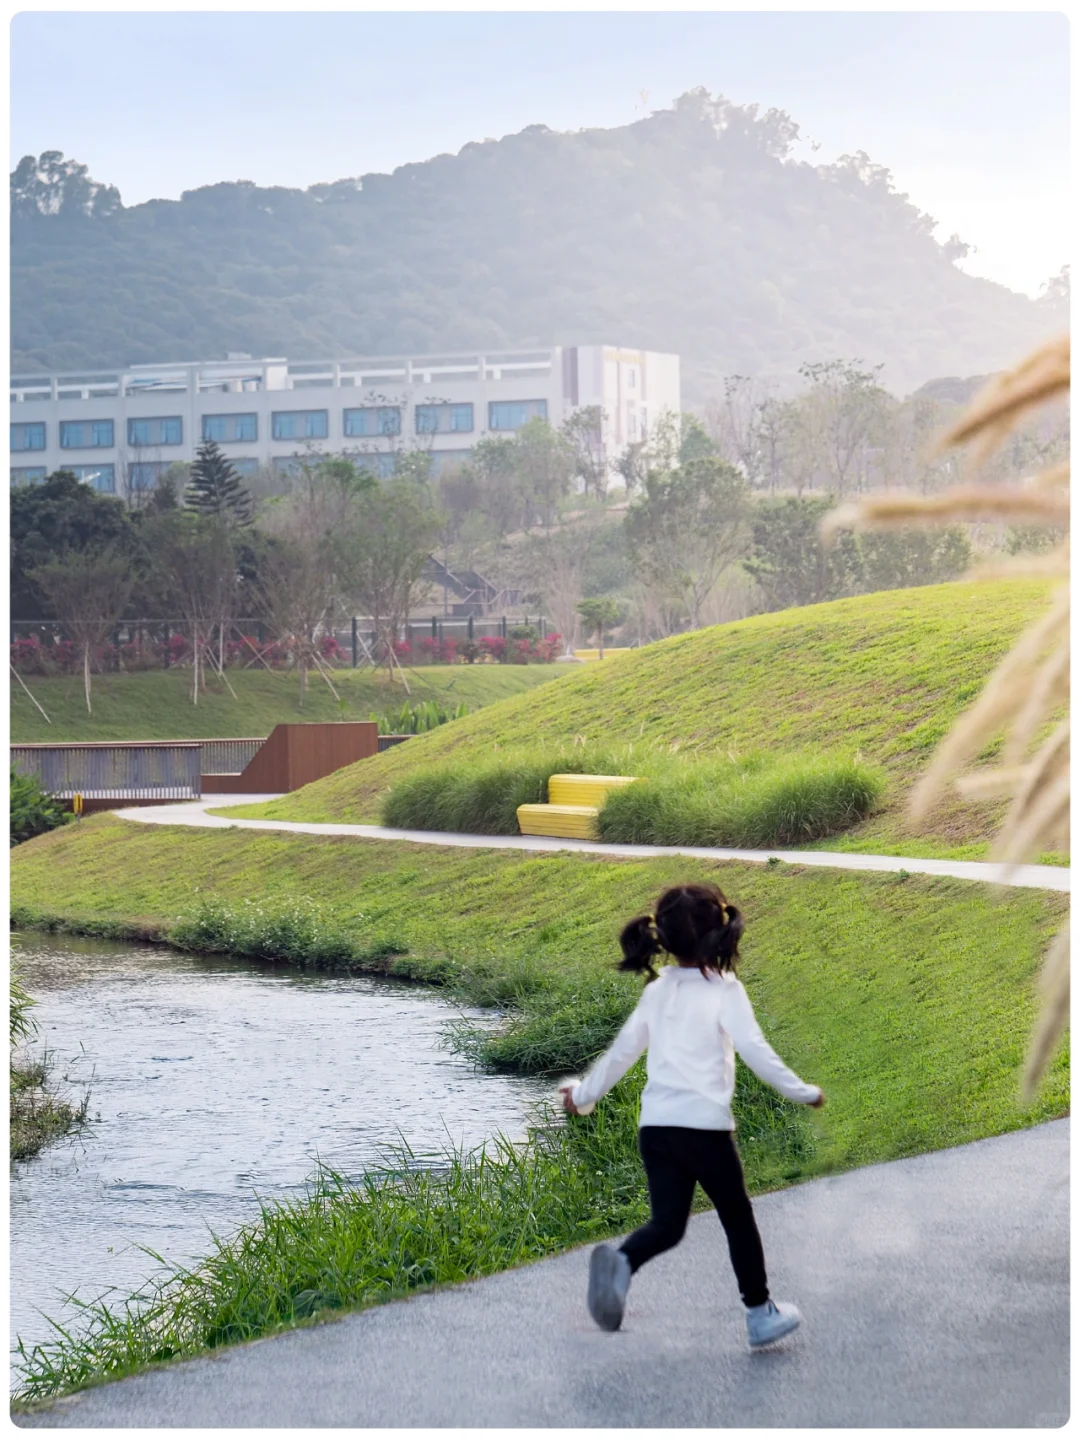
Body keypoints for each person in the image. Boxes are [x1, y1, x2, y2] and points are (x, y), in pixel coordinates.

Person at [560, 881, 825, 1348]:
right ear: (718, 935)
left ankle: (622, 1263)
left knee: (668, 1225)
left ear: (663, 938)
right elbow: (755, 1051)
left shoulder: (658, 990)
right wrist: (802, 1092)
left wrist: (584, 1095)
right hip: (704, 1132)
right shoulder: (725, 990)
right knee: (737, 1219)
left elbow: (621, 1054)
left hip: (657, 1130)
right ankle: (759, 1313)